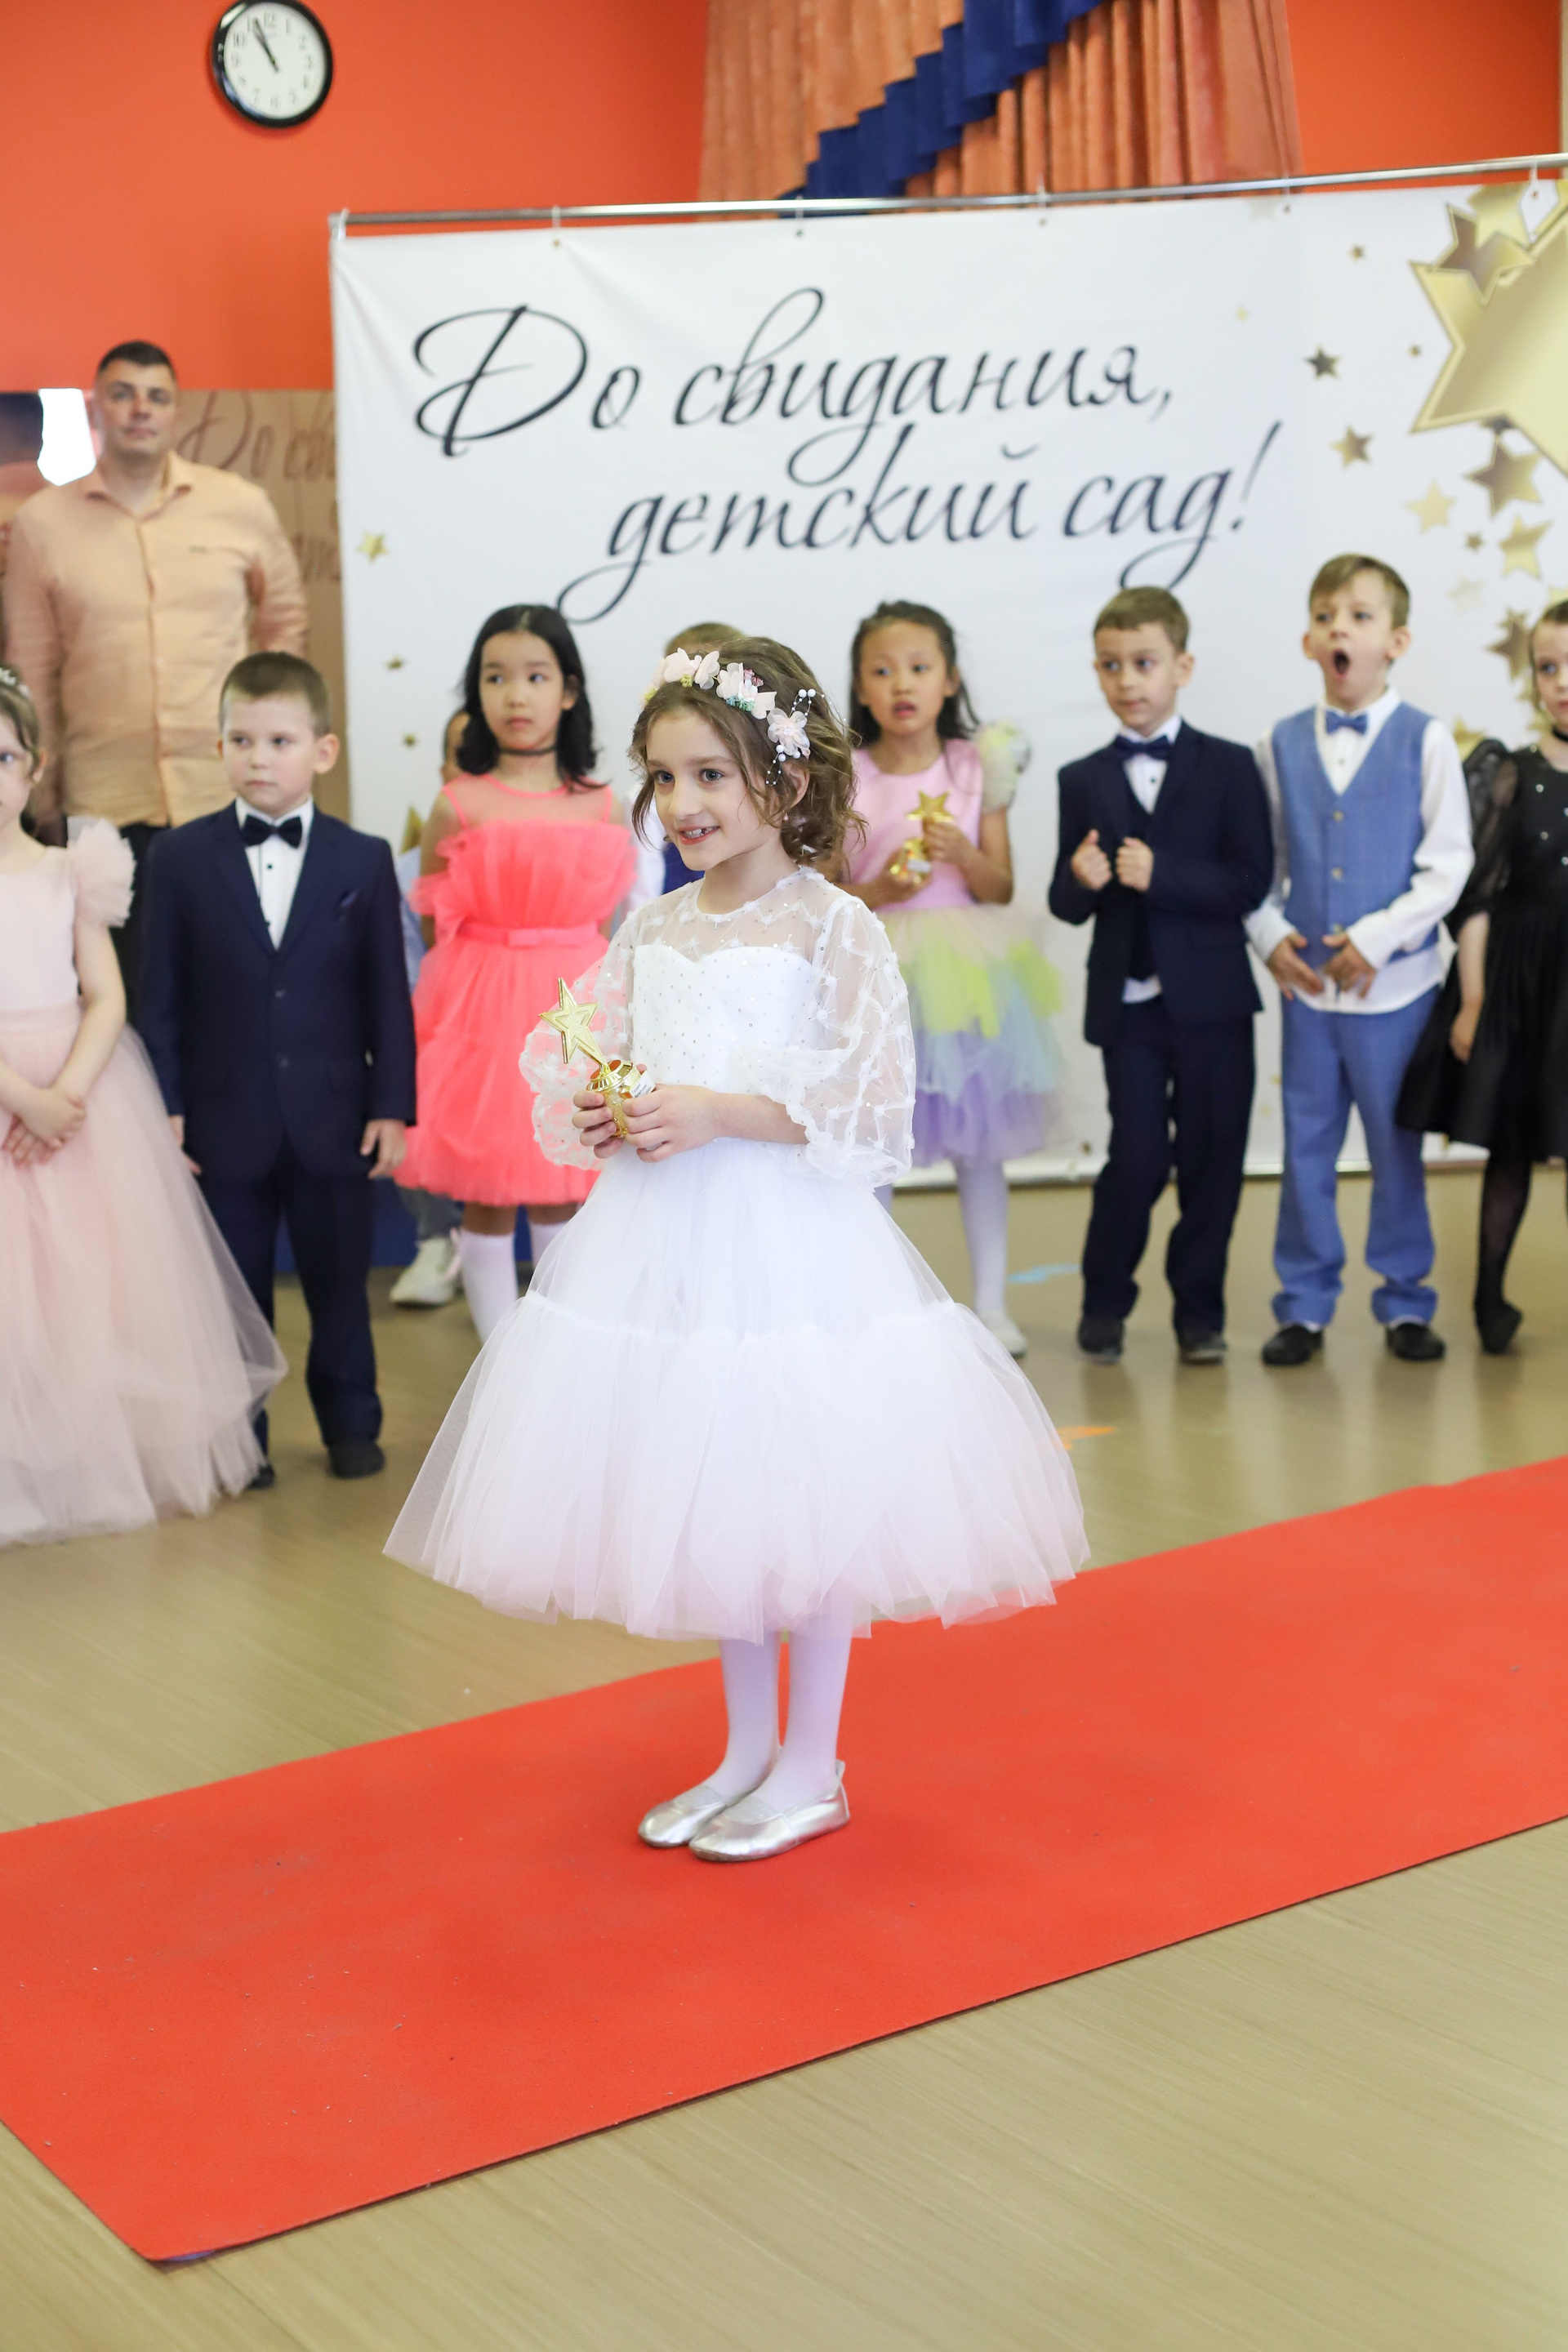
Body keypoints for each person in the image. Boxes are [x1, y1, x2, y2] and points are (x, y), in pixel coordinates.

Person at [387, 638, 1086, 1863]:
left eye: (711, 775)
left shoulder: (833, 925)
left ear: (786, 779)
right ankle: (744, 1750)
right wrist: (608, 1111)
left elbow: (871, 1110)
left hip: (790, 1245)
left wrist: (715, 1111)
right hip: (670, 1248)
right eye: (664, 778)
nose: (683, 804)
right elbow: (600, 1059)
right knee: (720, 1493)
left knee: (804, 1497)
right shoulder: (655, 926)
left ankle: (814, 1765)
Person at [0, 666, 283, 1545]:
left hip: (78, 1090)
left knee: (85, 1296)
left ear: (35, 765)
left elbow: (107, 996)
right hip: (13, 1092)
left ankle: (87, 1471)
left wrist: (65, 1094)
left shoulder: (71, 870)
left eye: (3, 757)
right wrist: (24, 1100)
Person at [139, 653, 415, 1483]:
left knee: (341, 1287)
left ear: (323, 752)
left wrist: (392, 1105)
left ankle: (352, 1423)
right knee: (233, 1292)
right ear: (219, 745)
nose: (259, 757)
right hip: (221, 1118)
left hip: (335, 1116)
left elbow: (387, 997)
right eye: (242, 740)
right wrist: (165, 1104)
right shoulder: (178, 859)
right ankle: (242, 1441)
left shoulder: (362, 859)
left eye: (280, 741)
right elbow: (158, 997)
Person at [2, 341, 307, 1005]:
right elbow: (32, 668)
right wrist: (40, 796)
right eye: (123, 394)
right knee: (124, 995)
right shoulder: (42, 524)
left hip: (228, 790)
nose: (140, 409)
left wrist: (274, 746)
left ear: (177, 412)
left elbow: (284, 629)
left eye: (157, 396)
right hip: (102, 801)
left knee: (238, 991)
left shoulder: (239, 506)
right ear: (96, 410)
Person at [1247, 555, 1472, 1366]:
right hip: (1310, 994)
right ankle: (1303, 1303)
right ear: (1309, 640)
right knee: (1305, 1150)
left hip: (1397, 993)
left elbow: (1448, 863)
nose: (1339, 627)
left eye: (1360, 615)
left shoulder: (1427, 739)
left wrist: (1375, 939)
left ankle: (1406, 1298)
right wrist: (1271, 935)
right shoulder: (1278, 743)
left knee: (1394, 1148)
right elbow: (1260, 864)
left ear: (1396, 641)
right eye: (1325, 615)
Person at [398, 605, 635, 1343]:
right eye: (495, 678)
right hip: (481, 1011)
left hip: (573, 1007)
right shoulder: (457, 804)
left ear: (569, 691)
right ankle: (500, 1355)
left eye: (535, 677)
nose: (515, 696)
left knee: (564, 1183)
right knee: (489, 1190)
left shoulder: (603, 806)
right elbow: (437, 927)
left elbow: (608, 926)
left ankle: (555, 1353)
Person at [1049, 589, 1272, 1365]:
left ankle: (1199, 1316)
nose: (1128, 680)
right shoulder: (1082, 778)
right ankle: (1104, 1300)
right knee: (1139, 1155)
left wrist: (1163, 873)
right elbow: (1065, 903)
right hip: (1131, 1007)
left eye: (1143, 663)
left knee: (1214, 1162)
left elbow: (1251, 881)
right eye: (1111, 666)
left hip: (1214, 1003)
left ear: (1183, 666)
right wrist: (1080, 879)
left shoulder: (1231, 765)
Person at [840, 599, 1058, 1360]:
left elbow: (999, 885)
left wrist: (962, 856)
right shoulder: (848, 773)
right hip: (879, 968)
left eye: (919, 667)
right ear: (861, 687)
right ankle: (875, 1305)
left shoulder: (975, 765)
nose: (902, 684)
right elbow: (828, 887)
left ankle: (991, 1303)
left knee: (980, 1142)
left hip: (968, 975)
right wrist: (884, 889)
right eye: (882, 670)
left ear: (950, 679)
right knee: (874, 1138)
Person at [1396, 599, 1568, 1353]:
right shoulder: (1510, 773)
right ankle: (1489, 1297)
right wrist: (1473, 998)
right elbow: (1478, 896)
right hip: (1523, 985)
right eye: (1549, 667)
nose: (1562, 682)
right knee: (1514, 1142)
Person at [391, 708, 469, 1310]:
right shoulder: (402, 872)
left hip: (546, 1027)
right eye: (467, 755)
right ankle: (436, 1236)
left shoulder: (566, 850)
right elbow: (403, 974)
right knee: (401, 1065)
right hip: (444, 1031)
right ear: (445, 770)